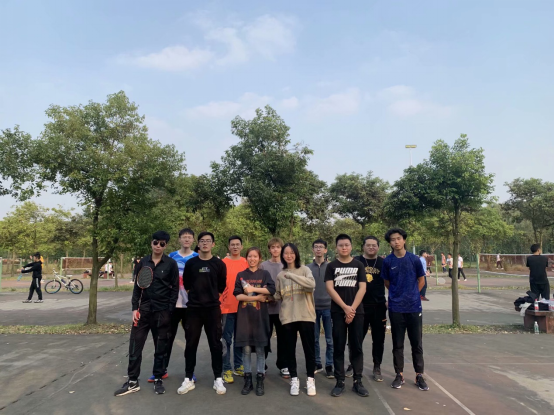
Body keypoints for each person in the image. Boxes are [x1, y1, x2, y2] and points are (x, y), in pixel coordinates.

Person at [114, 231, 179, 397]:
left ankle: (158, 379)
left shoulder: (171, 264)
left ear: (166, 246)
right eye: (156, 242)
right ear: (151, 243)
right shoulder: (142, 262)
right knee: (135, 347)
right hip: (142, 312)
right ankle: (132, 381)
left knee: (160, 348)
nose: (158, 246)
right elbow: (137, 288)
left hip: (162, 312)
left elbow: (175, 289)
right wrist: (134, 308)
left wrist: (169, 310)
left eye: (162, 243)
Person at [146, 228, 199, 383]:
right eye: (184, 237)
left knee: (191, 341)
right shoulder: (171, 257)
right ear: (179, 239)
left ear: (193, 240)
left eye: (189, 237)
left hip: (190, 306)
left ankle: (190, 372)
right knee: (166, 339)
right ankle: (161, 370)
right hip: (172, 305)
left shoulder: (197, 258)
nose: (187, 239)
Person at [178, 232, 227, 396]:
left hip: (213, 309)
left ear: (213, 244)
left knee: (215, 344)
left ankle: (218, 378)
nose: (205, 243)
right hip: (194, 310)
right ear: (198, 244)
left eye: (208, 241)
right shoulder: (191, 263)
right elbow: (186, 284)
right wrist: (197, 297)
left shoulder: (219, 264)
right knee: (191, 344)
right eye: (202, 241)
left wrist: (210, 298)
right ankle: (188, 378)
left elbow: (221, 286)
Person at [382, 228, 429, 392]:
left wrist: (413, 295)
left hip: (414, 307)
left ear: (404, 240)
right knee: (397, 343)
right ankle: (399, 374)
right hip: (396, 308)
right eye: (392, 239)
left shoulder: (414, 259)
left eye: (398, 238)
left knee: (417, 343)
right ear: (390, 243)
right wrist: (397, 295)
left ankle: (419, 375)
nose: (396, 242)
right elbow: (387, 282)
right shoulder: (388, 261)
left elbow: (421, 280)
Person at [325, 234, 369, 398]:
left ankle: (358, 381)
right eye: (341, 245)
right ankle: (340, 381)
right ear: (336, 247)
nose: (344, 247)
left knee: (356, 346)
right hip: (338, 312)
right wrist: (345, 308)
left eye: (347, 245)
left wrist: (352, 309)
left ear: (351, 247)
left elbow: (362, 288)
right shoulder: (331, 266)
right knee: (338, 346)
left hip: (357, 312)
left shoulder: (359, 265)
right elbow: (330, 288)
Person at [274, 243, 317, 397]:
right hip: (288, 317)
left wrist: (292, 275)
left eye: (292, 252)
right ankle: (294, 379)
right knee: (289, 350)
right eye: (286, 253)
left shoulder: (305, 270)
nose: (289, 255)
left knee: (309, 350)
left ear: (296, 254)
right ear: (282, 256)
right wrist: (262, 294)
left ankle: (310, 380)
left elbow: (311, 285)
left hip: (306, 315)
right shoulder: (280, 275)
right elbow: (278, 295)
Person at [234, 247, 276, 396]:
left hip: (260, 318)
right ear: (246, 258)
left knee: (260, 349)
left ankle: (259, 380)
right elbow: (238, 296)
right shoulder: (241, 275)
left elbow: (271, 290)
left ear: (259, 258)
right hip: (244, 318)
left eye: (255, 256)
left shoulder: (264, 274)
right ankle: (248, 380)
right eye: (250, 256)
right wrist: (257, 297)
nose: (252, 259)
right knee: (246, 350)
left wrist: (253, 289)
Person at [354, 236, 386, 382]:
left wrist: (389, 300)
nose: (371, 247)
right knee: (357, 338)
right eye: (368, 245)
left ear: (378, 247)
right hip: (360, 306)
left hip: (379, 306)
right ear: (363, 247)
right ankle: (354, 364)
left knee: (378, 339)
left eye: (374, 245)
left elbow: (390, 282)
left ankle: (377, 366)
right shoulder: (356, 261)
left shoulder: (383, 262)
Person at [220, 236, 249, 384]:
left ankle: (238, 366)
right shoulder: (222, 263)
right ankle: (226, 369)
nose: (235, 247)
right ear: (229, 246)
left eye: (238, 244)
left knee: (240, 339)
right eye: (233, 244)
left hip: (243, 306)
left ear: (242, 247)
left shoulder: (246, 262)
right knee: (226, 340)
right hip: (226, 307)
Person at [260, 237, 289, 379]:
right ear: (269, 249)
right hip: (265, 308)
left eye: (278, 247)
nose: (275, 249)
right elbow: (260, 284)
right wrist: (268, 297)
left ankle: (283, 365)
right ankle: (262, 365)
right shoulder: (263, 266)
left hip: (282, 309)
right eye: (273, 247)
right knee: (264, 337)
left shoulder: (286, 265)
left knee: (283, 338)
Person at [307, 239, 334, 379]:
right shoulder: (307, 268)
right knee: (315, 339)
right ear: (313, 250)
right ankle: (317, 363)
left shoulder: (331, 267)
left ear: (325, 250)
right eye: (316, 247)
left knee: (330, 339)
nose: (318, 249)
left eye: (321, 247)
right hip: (312, 308)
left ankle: (329, 365)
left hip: (329, 307)